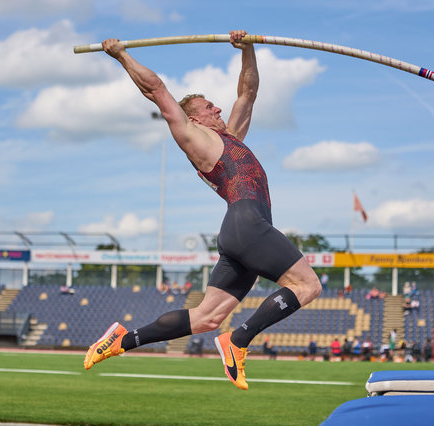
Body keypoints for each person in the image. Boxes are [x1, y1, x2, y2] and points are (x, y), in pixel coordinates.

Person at [83, 31, 322, 391]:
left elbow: (248, 92)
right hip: (247, 222)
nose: (219, 109)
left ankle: (122, 340)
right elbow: (158, 91)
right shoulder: (194, 138)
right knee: (307, 285)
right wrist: (121, 55)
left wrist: (247, 49)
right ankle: (238, 340)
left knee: (208, 317)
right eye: (210, 107)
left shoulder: (232, 137)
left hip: (240, 231)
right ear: (195, 119)